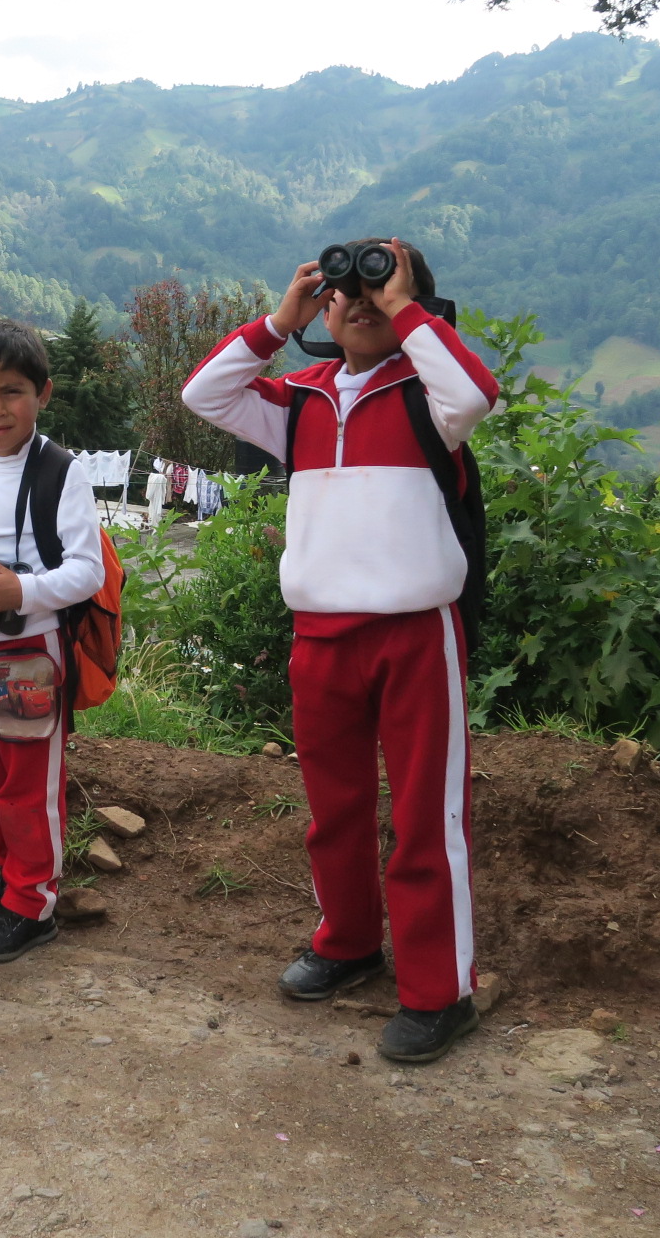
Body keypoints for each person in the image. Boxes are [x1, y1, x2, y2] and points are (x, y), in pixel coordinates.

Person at [179, 236, 498, 1064]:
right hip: (320, 635)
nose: (360, 300)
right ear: (324, 306)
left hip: (415, 633)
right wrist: (280, 320)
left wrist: (403, 307)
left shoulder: (428, 396)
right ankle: (348, 941)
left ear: (415, 304)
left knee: (427, 815)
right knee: (336, 807)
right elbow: (203, 392)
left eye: (381, 288)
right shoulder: (300, 402)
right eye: (346, 290)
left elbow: (475, 393)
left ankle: (440, 990)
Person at [0, 319, 104, 963]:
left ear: (43, 393)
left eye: (12, 391)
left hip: (29, 656)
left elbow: (87, 571)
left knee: (28, 783)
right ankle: (11, 872)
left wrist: (22, 593)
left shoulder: (62, 472)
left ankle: (33, 903)